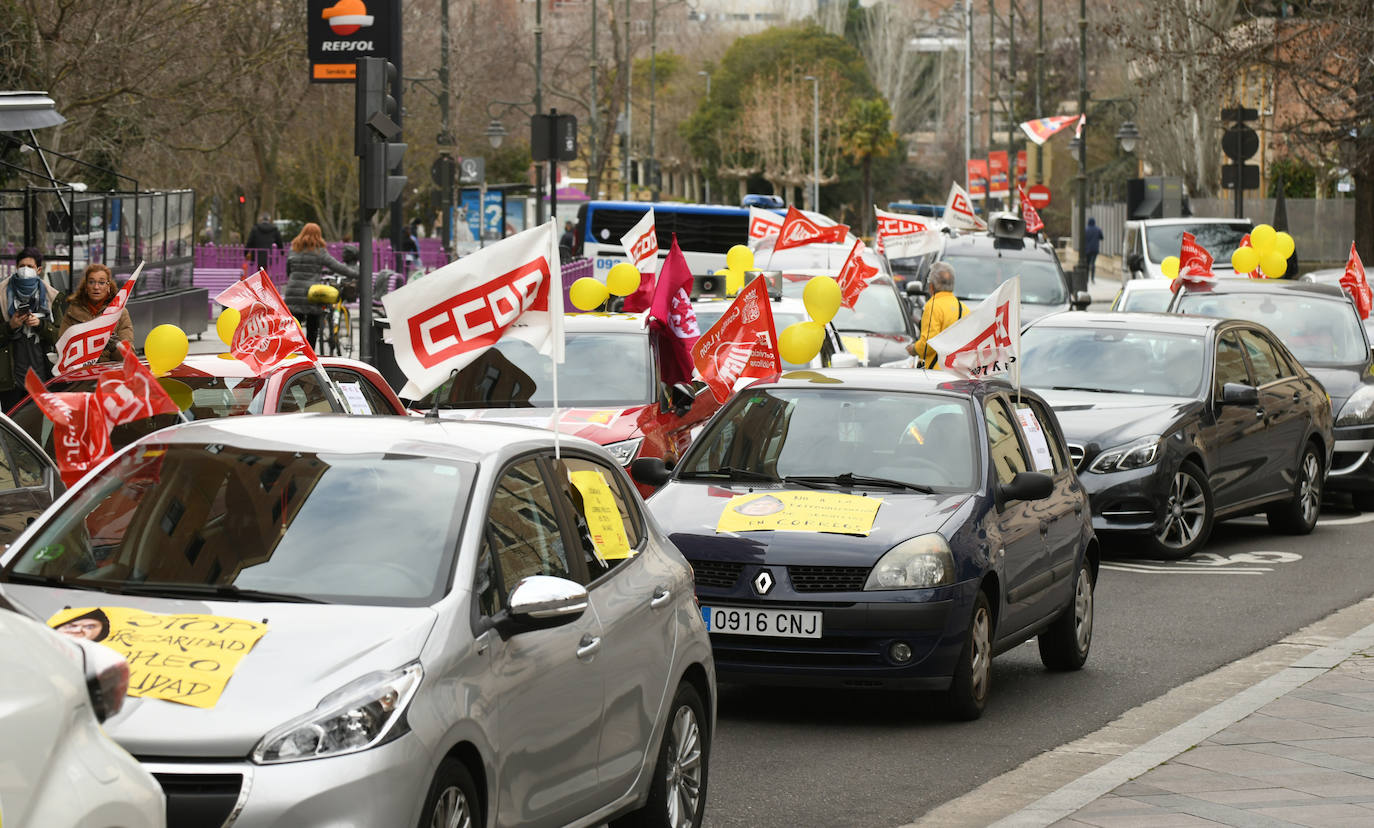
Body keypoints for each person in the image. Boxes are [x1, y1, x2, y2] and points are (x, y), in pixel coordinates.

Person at [0, 248, 62, 410]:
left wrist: (40, 325)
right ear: (16, 268)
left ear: (39, 270)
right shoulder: (2, 295)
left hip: (41, 375)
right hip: (11, 380)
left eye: (30, 266)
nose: (25, 270)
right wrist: (10, 326)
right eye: (22, 266)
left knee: (35, 423)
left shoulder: (51, 296)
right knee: (12, 421)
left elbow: (61, 336)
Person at [283, 222, 357, 351]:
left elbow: (288, 271)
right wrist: (356, 274)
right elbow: (337, 266)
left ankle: (292, 352)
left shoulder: (293, 250)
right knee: (312, 325)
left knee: (294, 327)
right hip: (311, 293)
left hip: (292, 292)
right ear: (318, 235)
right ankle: (309, 353)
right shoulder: (319, 251)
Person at [60, 264, 135, 362]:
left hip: (108, 369)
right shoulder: (73, 311)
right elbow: (61, 349)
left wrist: (115, 346)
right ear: (86, 286)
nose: (96, 287)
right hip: (81, 369)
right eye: (91, 282)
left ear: (108, 286)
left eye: (101, 282)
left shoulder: (120, 313)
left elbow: (128, 356)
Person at [906, 262, 969, 369]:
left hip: (936, 371)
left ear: (931, 286)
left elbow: (928, 344)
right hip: (957, 370)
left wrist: (913, 349)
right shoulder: (963, 308)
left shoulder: (933, 306)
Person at [1084, 217, 1104, 284]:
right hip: (1095, 249)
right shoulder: (1098, 229)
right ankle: (1092, 278)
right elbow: (1102, 237)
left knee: (1087, 264)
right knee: (1093, 263)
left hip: (1087, 250)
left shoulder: (1086, 229)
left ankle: (1086, 278)